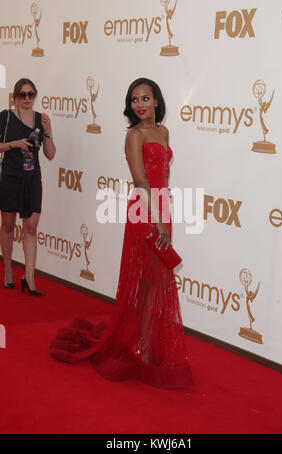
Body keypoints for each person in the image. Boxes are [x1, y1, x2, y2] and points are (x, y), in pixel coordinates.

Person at [50, 78, 193, 390]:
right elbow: (141, 182)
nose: (139, 104)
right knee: (142, 278)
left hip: (161, 209)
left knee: (158, 280)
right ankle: (138, 345)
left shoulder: (164, 132)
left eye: (145, 98)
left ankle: (145, 341)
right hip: (144, 211)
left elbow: (163, 178)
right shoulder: (134, 135)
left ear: (157, 101)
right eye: (134, 100)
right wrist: (155, 220)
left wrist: (166, 213)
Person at [0, 78, 56, 295]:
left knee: (31, 228)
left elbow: (50, 154)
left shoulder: (40, 119)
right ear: (15, 97)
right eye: (22, 94)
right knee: (7, 225)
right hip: (11, 176)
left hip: (32, 178)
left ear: (35, 95)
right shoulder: (5, 117)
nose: (26, 98)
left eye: (30, 94)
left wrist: (49, 131)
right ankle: (7, 271)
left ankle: (29, 277)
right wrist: (13, 144)